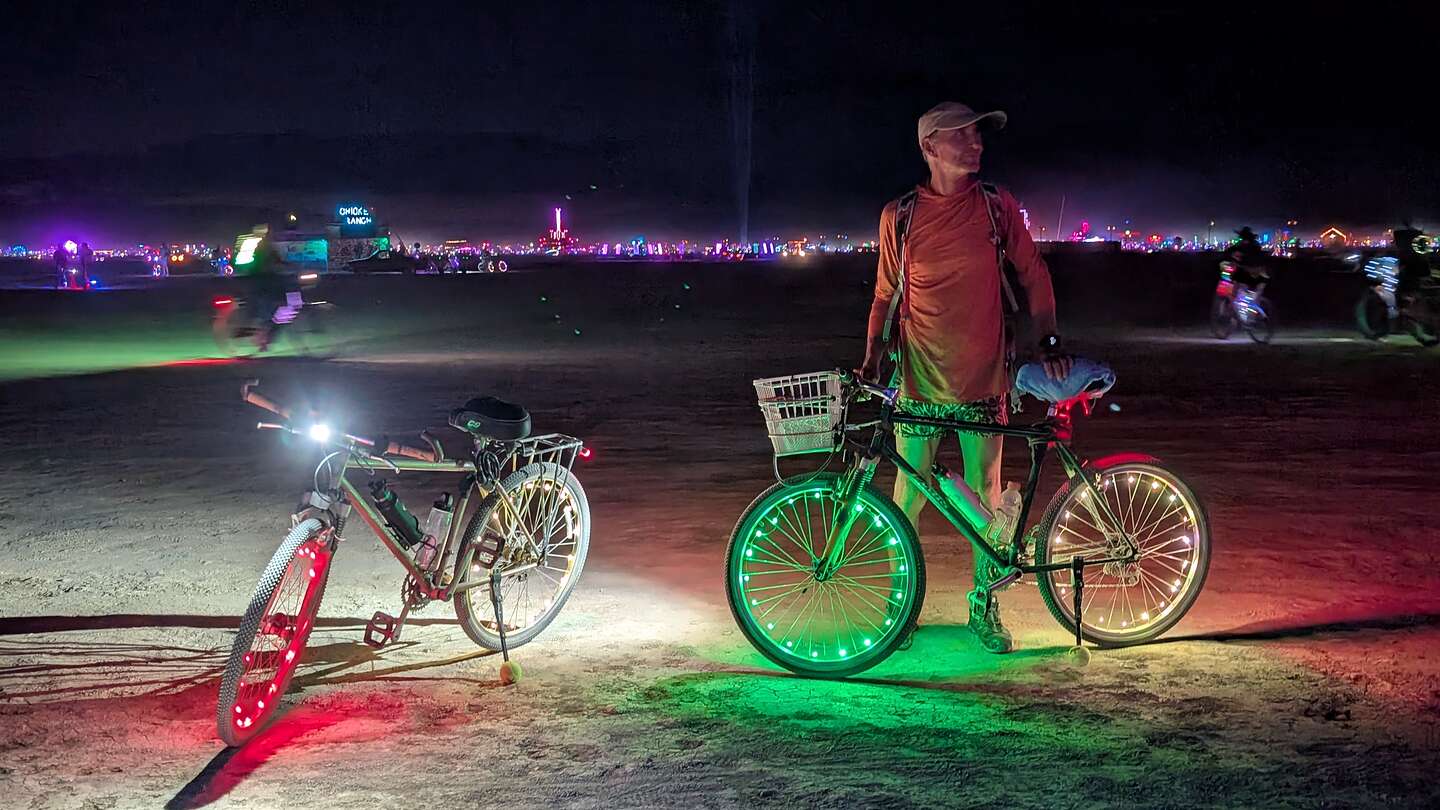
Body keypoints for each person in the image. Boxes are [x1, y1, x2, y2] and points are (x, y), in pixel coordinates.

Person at [858, 101, 1071, 654]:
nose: (976, 144)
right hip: (918, 382)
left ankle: (984, 606)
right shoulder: (899, 216)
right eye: (962, 136)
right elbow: (884, 294)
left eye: (978, 135)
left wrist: (1049, 339)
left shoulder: (998, 206)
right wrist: (873, 355)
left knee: (985, 496)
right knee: (907, 498)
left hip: (984, 380)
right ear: (930, 146)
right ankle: (900, 609)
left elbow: (1033, 272)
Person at [1225, 227, 1269, 291]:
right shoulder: (1243, 245)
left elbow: (1232, 252)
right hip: (1246, 274)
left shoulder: (1249, 247)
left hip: (1248, 274)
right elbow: (1230, 251)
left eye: (1244, 238)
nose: (1243, 240)